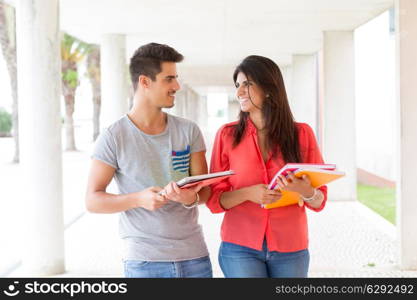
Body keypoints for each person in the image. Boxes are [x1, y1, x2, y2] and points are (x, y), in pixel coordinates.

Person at [85, 43, 212, 278]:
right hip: (144, 263)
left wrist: (189, 197)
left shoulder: (189, 131)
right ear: (145, 82)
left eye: (177, 78)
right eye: (169, 79)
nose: (177, 86)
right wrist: (138, 199)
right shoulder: (114, 136)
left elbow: (205, 193)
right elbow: (93, 201)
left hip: (194, 258)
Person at [206, 55, 327, 278]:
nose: (239, 92)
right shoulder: (226, 135)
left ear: (269, 88)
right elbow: (214, 201)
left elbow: (319, 201)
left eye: (247, 84)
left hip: (291, 247)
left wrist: (306, 191)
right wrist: (248, 194)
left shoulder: (302, 134)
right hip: (240, 247)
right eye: (238, 85)